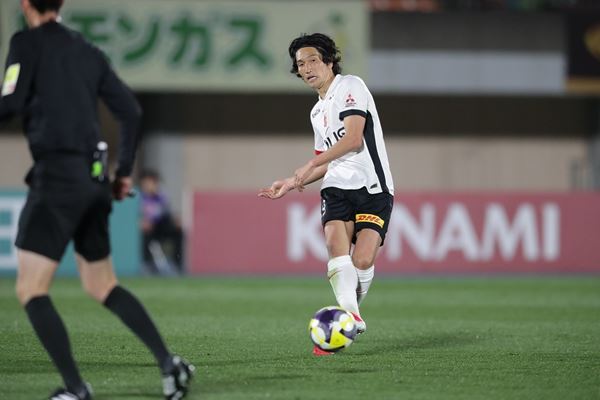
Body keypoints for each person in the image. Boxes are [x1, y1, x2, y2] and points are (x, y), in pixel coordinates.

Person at [0, 1, 194, 398]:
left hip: (57, 178)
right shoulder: (88, 51)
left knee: (31, 290)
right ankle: (169, 364)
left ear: (25, 4)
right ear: (61, 4)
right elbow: (131, 112)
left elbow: (11, 103)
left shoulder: (25, 43)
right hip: (93, 179)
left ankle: (75, 388)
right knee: (102, 284)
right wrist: (122, 174)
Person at [258, 33, 394, 355]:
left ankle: (347, 317)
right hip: (336, 187)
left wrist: (309, 164)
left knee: (362, 260)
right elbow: (326, 161)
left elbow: (353, 140)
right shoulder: (316, 112)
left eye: (313, 60)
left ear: (330, 61)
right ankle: (352, 319)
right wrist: (292, 181)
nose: (306, 68)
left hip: (373, 186)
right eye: (300, 64)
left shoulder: (350, 86)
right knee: (336, 247)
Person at [139, 169, 184, 275]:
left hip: (161, 227)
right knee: (146, 234)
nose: (147, 186)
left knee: (179, 231)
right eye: (145, 183)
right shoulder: (140, 197)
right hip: (148, 231)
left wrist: (176, 220)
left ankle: (177, 263)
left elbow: (165, 212)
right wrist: (143, 222)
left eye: (149, 183)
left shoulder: (161, 195)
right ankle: (147, 264)